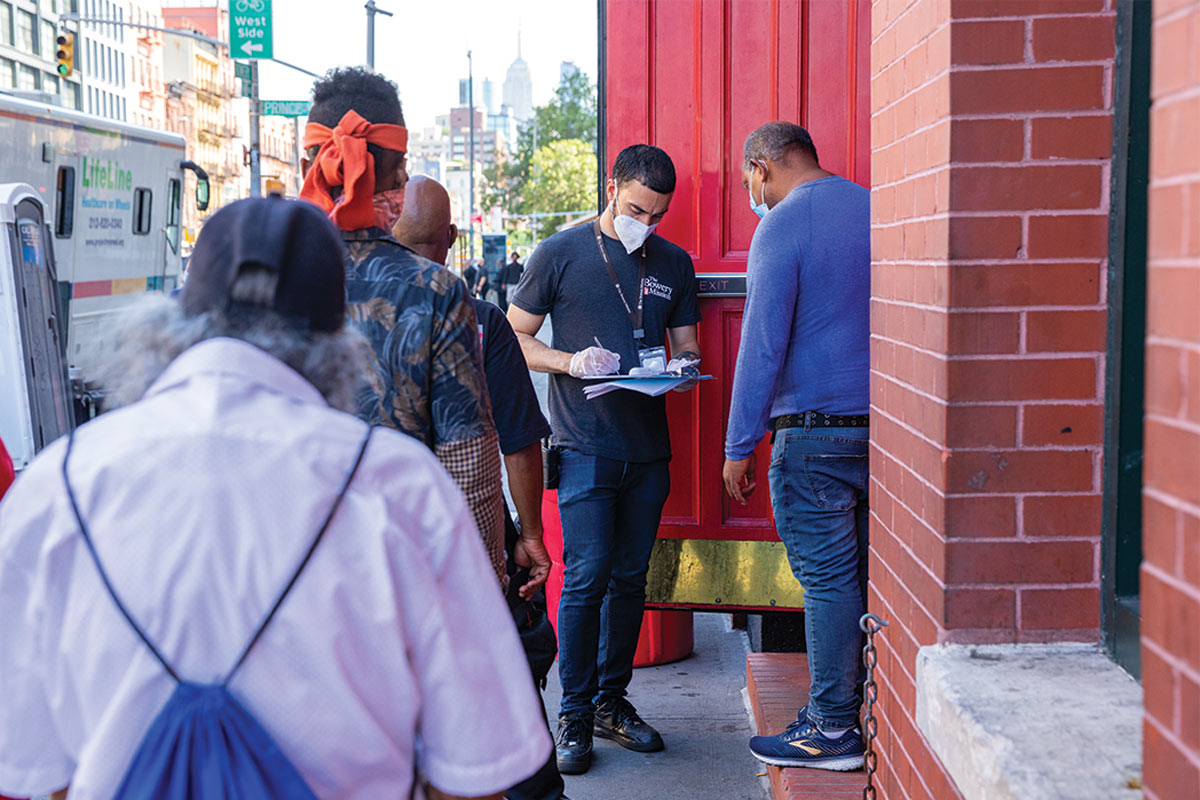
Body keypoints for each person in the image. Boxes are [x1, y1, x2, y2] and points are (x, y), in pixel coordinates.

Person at [0, 197, 550, 800]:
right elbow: (474, 774)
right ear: (338, 339)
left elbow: (36, 773)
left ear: (176, 321)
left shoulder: (57, 487)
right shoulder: (399, 488)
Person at [508, 144, 702, 775]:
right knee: (586, 576)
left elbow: (688, 346)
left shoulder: (673, 262)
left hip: (648, 449)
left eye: (658, 215)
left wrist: (680, 369)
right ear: (612, 185)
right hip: (584, 441)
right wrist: (571, 362)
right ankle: (574, 712)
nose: (646, 224)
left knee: (630, 579)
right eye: (638, 209)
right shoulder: (561, 253)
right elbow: (516, 334)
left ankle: (613, 705)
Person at [299, 67, 508, 587]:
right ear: (395, 176)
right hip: (398, 573)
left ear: (311, 164)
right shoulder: (434, 290)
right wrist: (484, 581)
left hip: (280, 573)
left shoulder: (254, 276)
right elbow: (469, 462)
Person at [394, 176, 568, 800]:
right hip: (462, 554)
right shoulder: (477, 316)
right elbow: (517, 442)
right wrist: (528, 537)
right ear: (450, 240)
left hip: (366, 562)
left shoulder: (340, 313)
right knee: (504, 706)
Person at [722, 121, 870, 772]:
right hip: (880, 431)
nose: (754, 192)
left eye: (750, 180)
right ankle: (857, 703)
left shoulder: (779, 226)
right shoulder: (873, 206)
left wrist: (737, 446)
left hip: (812, 438)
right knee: (863, 575)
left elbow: (761, 346)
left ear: (763, 167)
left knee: (830, 581)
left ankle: (833, 727)